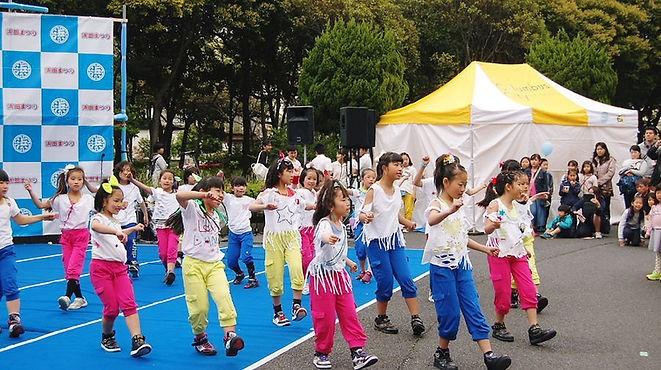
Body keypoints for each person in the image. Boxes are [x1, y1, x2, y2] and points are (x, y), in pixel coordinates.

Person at [424, 154, 511, 370]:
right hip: (442, 266)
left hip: (462, 265)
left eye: (465, 185)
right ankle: (442, 352)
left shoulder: (458, 206)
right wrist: (449, 210)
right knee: (450, 313)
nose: (464, 189)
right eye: (460, 184)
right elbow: (431, 220)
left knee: (473, 307)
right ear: (446, 182)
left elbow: (462, 238)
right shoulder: (437, 205)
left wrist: (485, 249)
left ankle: (489, 355)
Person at [308, 180, 379, 370]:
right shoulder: (324, 224)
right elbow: (323, 236)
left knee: (349, 313)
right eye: (342, 200)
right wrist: (326, 238)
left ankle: (358, 352)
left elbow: (337, 251)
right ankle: (321, 352)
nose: (347, 203)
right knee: (325, 317)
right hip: (322, 278)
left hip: (339, 276)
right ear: (331, 205)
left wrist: (348, 261)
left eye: (347, 199)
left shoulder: (341, 222)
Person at [481, 171, 557, 345]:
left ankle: (534, 329)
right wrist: (492, 225)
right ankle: (499, 324)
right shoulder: (495, 204)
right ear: (509, 187)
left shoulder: (518, 205)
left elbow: (519, 230)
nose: (524, 188)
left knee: (529, 287)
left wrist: (524, 248)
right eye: (520, 184)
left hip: (518, 253)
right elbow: (486, 228)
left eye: (525, 184)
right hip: (498, 253)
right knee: (504, 293)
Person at [176, 176, 245, 356]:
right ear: (206, 192)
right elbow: (180, 196)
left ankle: (230, 337)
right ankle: (200, 338)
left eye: (222, 191)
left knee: (224, 297)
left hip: (214, 264)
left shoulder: (216, 215)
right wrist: (202, 194)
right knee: (199, 307)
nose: (221, 195)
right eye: (217, 190)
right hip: (193, 265)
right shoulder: (192, 209)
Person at [359, 152, 424, 337]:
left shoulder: (396, 190)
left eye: (401, 165)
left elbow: (394, 215)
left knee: (406, 279)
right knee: (385, 282)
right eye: (396, 164)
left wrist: (407, 223)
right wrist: (366, 217)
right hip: (377, 243)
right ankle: (381, 318)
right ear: (385, 168)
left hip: (394, 241)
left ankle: (416, 318)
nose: (400, 168)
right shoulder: (374, 190)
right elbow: (362, 214)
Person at [89, 176, 151, 357]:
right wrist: (117, 231)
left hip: (120, 270)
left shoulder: (116, 222)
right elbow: (98, 227)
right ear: (103, 201)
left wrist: (132, 229)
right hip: (101, 270)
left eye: (121, 200)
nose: (120, 204)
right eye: (116, 201)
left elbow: (118, 233)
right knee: (112, 308)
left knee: (129, 303)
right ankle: (107, 335)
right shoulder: (97, 218)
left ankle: (138, 339)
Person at [24, 165, 95, 311]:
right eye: (73, 179)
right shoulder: (59, 199)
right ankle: (80, 298)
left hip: (81, 236)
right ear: (67, 180)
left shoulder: (89, 199)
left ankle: (67, 296)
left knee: (74, 268)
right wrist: (31, 191)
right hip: (66, 237)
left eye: (80, 179)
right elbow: (40, 205)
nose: (76, 182)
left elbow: (102, 199)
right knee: (69, 269)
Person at [250, 159, 310, 326]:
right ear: (278, 174)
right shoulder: (269, 193)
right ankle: (278, 312)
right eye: (288, 171)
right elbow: (252, 206)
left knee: (297, 268)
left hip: (291, 237)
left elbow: (308, 206)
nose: (292, 174)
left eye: (292, 171)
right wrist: (265, 206)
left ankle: (296, 306)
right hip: (274, 239)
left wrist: (326, 205)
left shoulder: (295, 194)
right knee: (274, 274)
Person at [1, 169, 55, 338]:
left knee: (10, 284)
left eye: (6, 183)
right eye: (1, 183)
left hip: (5, 250)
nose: (4, 186)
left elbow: (20, 220)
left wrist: (42, 218)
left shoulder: (9, 202)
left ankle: (14, 320)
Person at [130, 169, 180, 285]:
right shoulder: (157, 192)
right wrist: (132, 180)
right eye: (164, 178)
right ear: (160, 180)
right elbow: (145, 188)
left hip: (174, 226)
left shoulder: (177, 194)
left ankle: (171, 271)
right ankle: (167, 269)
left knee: (172, 249)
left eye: (170, 179)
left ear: (173, 182)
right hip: (160, 225)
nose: (167, 181)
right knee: (163, 253)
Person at [115, 161, 149, 279]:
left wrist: (145, 215)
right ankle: (121, 265)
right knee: (118, 243)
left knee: (130, 241)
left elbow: (141, 202)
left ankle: (133, 262)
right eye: (123, 170)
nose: (126, 173)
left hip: (130, 219)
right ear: (118, 172)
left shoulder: (134, 187)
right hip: (116, 220)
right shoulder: (113, 186)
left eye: (128, 170)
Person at [224, 176, 259, 289]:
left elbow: (259, 205)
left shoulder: (249, 200)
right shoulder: (228, 198)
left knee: (246, 257)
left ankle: (253, 278)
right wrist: (220, 179)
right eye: (238, 186)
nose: (240, 188)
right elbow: (219, 192)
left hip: (246, 234)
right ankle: (239, 273)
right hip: (233, 235)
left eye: (243, 186)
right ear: (232, 187)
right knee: (231, 262)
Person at [350, 168, 377, 284]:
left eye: (373, 177)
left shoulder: (376, 192)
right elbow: (346, 191)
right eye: (368, 177)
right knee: (360, 250)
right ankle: (363, 270)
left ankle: (370, 272)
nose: (371, 180)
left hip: (371, 224)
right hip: (359, 225)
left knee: (371, 248)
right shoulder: (357, 192)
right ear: (362, 179)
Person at [297, 168, 319, 295]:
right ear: (303, 179)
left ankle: (309, 281)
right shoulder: (300, 192)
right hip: (302, 229)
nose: (311, 181)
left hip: (313, 229)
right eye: (309, 178)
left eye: (314, 179)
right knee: (307, 258)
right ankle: (302, 282)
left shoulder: (314, 193)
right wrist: (315, 206)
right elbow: (303, 205)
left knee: (314, 257)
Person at [593, 142, 617, 231]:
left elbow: (610, 173)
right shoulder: (594, 160)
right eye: (598, 149)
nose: (599, 151)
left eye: (601, 149)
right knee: (596, 207)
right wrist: (594, 181)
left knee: (605, 206)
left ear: (605, 150)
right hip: (595, 187)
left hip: (606, 187)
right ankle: (597, 226)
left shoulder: (610, 160)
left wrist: (599, 181)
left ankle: (606, 227)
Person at [527, 154, 552, 234]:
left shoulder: (543, 172)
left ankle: (539, 228)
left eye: (536, 160)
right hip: (529, 195)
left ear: (539, 161)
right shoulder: (526, 171)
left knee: (540, 212)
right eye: (532, 160)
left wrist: (545, 194)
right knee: (532, 211)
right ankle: (531, 227)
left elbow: (545, 184)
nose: (533, 162)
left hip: (539, 194)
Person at [395, 152, 417, 223]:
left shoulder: (412, 169)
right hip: (399, 190)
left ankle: (408, 224)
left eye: (406, 159)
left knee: (408, 209)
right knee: (399, 208)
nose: (405, 161)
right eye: (403, 160)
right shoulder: (398, 169)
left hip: (409, 191)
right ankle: (400, 224)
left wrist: (414, 193)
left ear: (409, 159)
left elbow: (415, 182)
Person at [645, 188, 661, 281]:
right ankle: (657, 271)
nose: (659, 195)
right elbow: (651, 220)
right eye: (658, 193)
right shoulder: (654, 207)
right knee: (658, 253)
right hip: (656, 232)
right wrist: (648, 231)